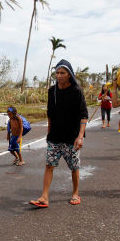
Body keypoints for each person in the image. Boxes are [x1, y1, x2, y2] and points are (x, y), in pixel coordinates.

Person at [30, 59, 88, 207]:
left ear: (69, 74)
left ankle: (75, 193)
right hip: (55, 137)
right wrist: (49, 134)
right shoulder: (52, 91)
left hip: (72, 138)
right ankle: (44, 197)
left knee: (74, 167)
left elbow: (83, 115)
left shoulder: (76, 92)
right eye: (57, 73)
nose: (59, 75)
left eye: (62, 72)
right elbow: (50, 114)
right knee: (49, 165)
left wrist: (80, 136)